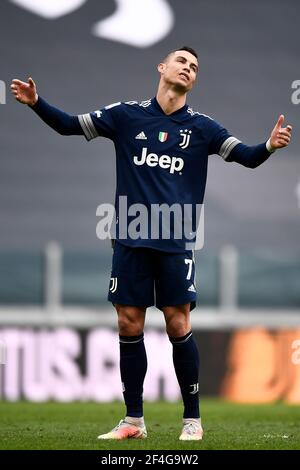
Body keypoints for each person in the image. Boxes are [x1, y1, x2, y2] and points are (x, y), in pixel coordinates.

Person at [11, 46, 292, 441]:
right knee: (128, 321)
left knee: (178, 323)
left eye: (195, 68)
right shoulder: (126, 116)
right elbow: (69, 126)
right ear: (162, 67)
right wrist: (37, 103)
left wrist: (268, 146)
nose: (188, 69)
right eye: (182, 62)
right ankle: (133, 421)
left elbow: (245, 156)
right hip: (130, 238)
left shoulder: (203, 127)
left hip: (176, 241)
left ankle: (192, 419)